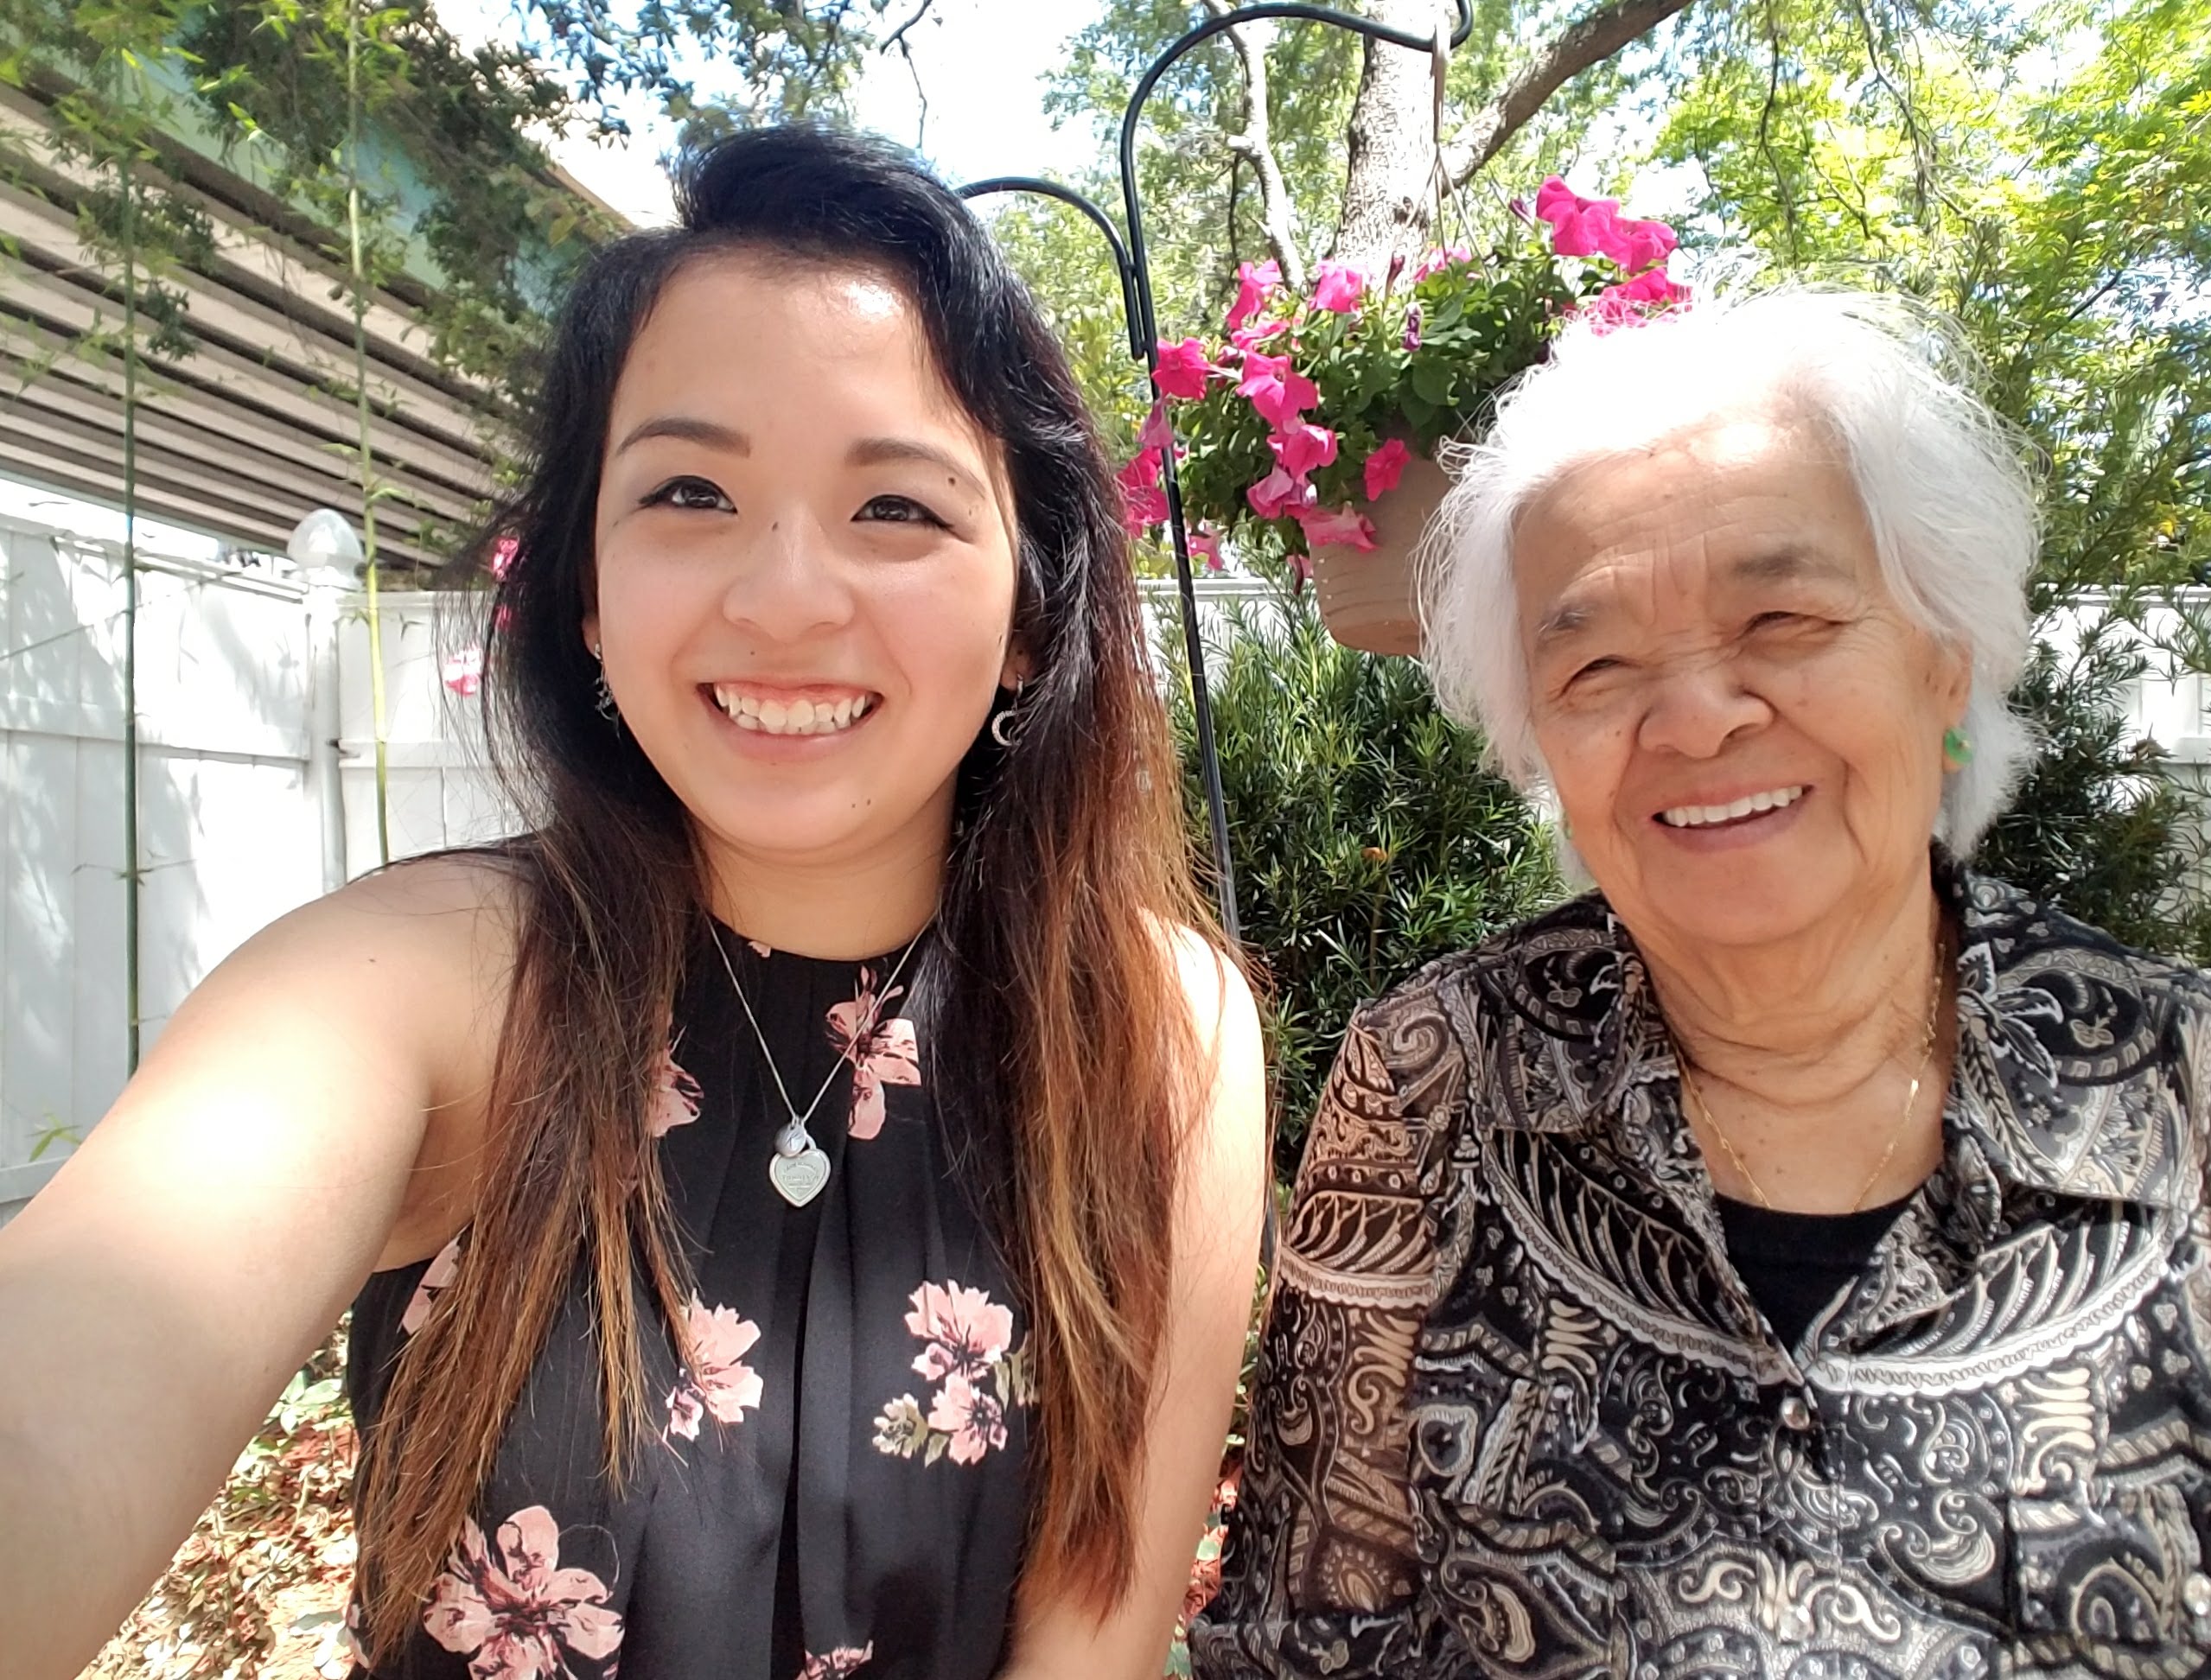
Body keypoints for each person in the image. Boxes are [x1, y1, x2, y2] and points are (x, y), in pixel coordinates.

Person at [0, 126, 1265, 1680]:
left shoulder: (1159, 1032)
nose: (785, 598)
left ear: (1030, 615)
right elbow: (61, 1395)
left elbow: (1094, 1639)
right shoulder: (428, 982)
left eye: (897, 509)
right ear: (589, 598)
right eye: (689, 491)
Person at [1192, 288, 2211, 1677]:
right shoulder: (1435, 1078)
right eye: (1597, 663)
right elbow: (1303, 1639)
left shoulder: (2197, 1094)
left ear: (1945, 660)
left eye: (1783, 618)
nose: (1695, 718)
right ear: (1539, 740)